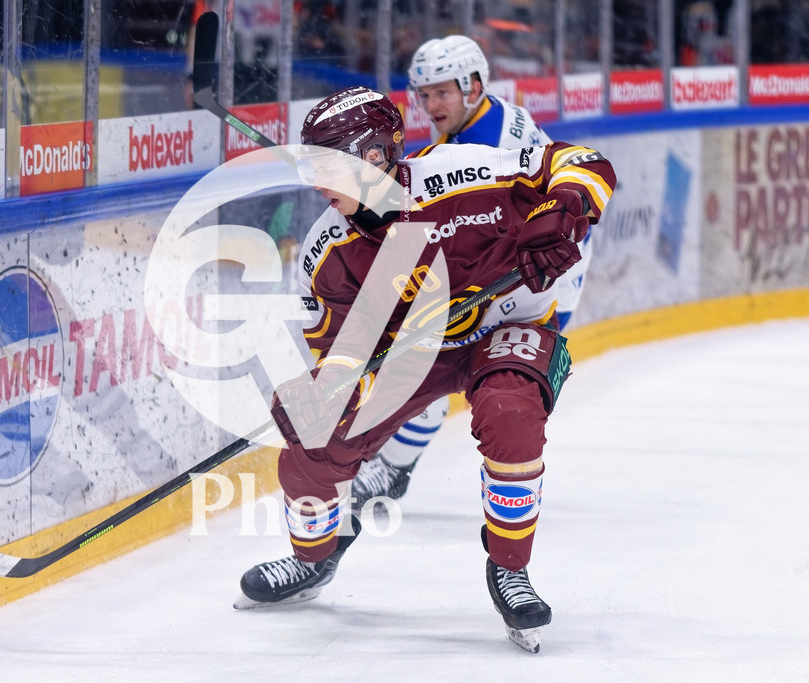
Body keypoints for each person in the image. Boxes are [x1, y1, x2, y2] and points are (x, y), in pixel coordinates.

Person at [236, 87, 615, 653]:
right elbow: (340, 355)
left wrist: (564, 209)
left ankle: (509, 569)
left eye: (329, 164)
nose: (318, 183)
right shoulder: (328, 255)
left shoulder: (466, 172)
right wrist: (326, 391)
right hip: (413, 356)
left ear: (372, 157)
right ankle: (313, 557)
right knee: (316, 434)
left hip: (504, 323)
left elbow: (583, 163)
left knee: (510, 411)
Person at [347, 35, 593, 511]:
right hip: (537, 267)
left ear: (473, 85)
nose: (430, 105)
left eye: (442, 92)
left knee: (461, 372)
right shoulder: (485, 117)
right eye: (423, 95)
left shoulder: (488, 143)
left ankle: (406, 473)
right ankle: (398, 469)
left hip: (536, 281)